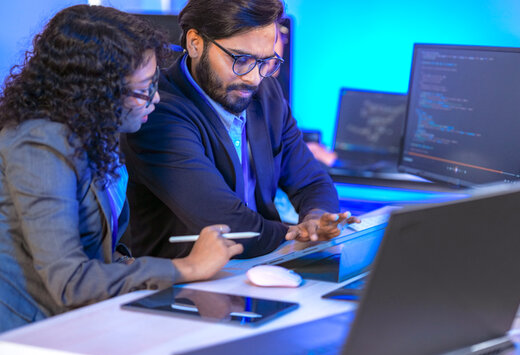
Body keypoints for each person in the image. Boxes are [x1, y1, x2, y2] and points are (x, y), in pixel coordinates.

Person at [0, 5, 243, 333]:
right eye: (143, 90)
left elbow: (100, 254)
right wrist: (187, 267)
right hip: (33, 334)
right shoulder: (38, 145)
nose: (155, 99)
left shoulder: (93, 133)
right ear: (96, 92)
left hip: (81, 321)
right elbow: (70, 282)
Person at [121, 0, 358, 260]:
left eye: (266, 61)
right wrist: (297, 234)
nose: (254, 77)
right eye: (241, 59)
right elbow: (228, 225)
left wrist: (315, 219)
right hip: (183, 285)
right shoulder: (158, 112)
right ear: (195, 43)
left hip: (262, 263)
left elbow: (311, 181)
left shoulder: (266, 94)